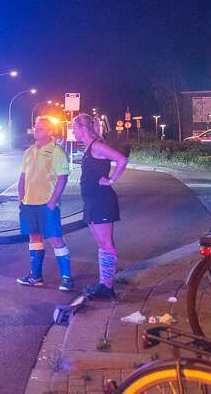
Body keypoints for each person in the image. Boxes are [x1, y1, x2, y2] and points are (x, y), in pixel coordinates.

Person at [71, 113, 128, 300]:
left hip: (102, 200)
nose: (73, 131)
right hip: (92, 201)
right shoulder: (88, 148)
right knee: (101, 244)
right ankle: (104, 283)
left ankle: (108, 287)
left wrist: (111, 180)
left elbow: (122, 159)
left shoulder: (97, 146)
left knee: (106, 244)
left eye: (74, 128)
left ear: (83, 129)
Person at [15, 116, 74, 291]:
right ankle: (36, 276)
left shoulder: (57, 152)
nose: (36, 130)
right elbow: (23, 177)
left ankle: (66, 277)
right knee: (34, 238)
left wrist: (52, 202)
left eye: (40, 128)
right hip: (28, 204)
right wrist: (20, 198)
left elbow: (63, 178)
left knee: (56, 239)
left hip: (47, 205)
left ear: (49, 131)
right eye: (35, 127)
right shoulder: (29, 152)